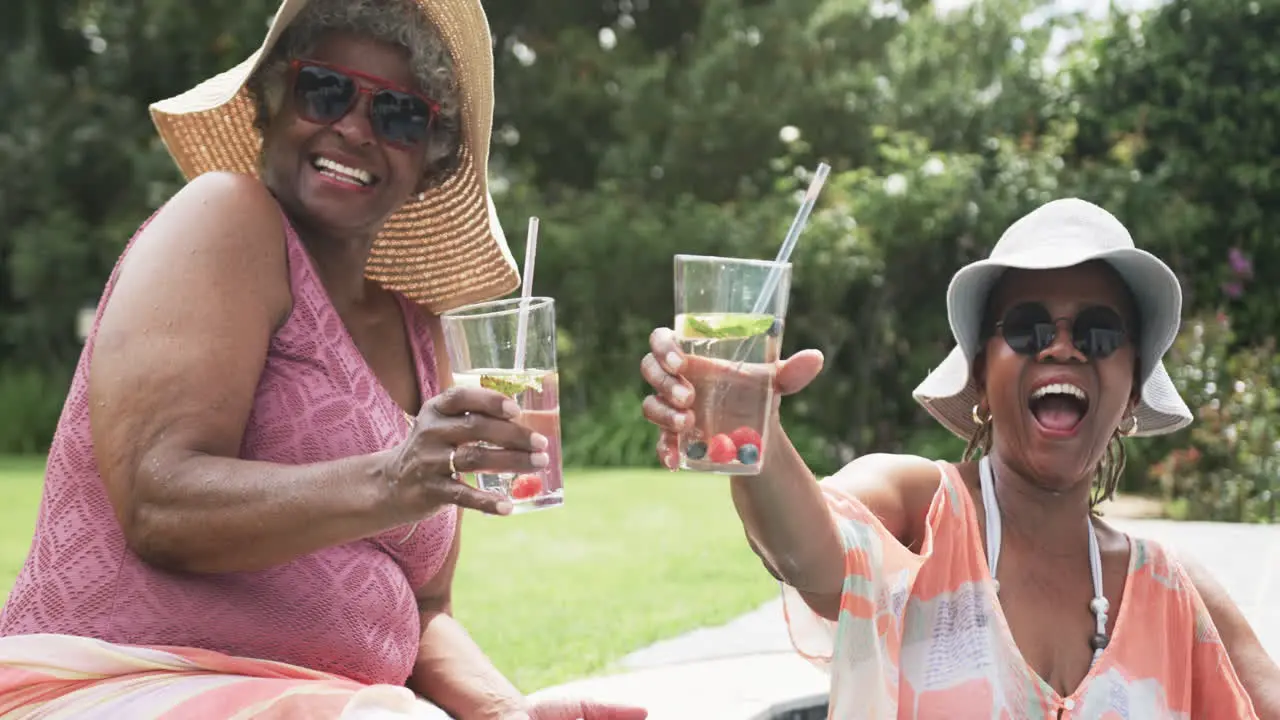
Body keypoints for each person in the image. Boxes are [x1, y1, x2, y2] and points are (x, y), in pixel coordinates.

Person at [0, 0, 645, 718]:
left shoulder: (425, 334)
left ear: (429, 162)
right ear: (273, 105)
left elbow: (426, 610)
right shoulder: (225, 219)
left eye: (400, 115)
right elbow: (159, 505)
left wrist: (505, 712)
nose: (355, 128)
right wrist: (393, 478)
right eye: (326, 90)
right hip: (120, 683)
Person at [640, 199, 1280, 718]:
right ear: (980, 372)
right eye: (1029, 327)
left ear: (1133, 384)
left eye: (1098, 333)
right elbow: (806, 549)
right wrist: (758, 431)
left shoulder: (1173, 592)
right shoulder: (920, 510)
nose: (1064, 348)